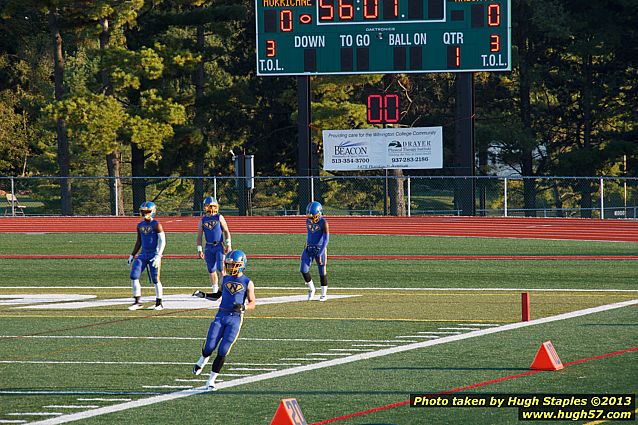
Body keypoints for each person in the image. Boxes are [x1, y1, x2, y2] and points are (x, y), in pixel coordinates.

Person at [192, 249, 256, 391]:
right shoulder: (225, 278)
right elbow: (217, 296)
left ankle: (211, 381)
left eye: (233, 265)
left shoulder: (247, 282)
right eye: (228, 264)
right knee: (209, 345)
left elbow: (253, 303)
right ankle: (202, 360)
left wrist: (244, 307)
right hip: (221, 315)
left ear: (241, 265)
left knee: (223, 350)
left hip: (235, 319)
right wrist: (203, 295)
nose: (230, 267)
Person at [127, 201, 166, 310]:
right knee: (134, 275)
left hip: (153, 254)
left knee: (155, 279)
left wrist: (158, 255)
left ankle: (159, 303)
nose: (145, 214)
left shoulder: (156, 224)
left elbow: (162, 241)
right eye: (143, 212)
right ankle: (137, 301)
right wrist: (132, 254)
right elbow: (139, 241)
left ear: (153, 211)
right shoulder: (140, 225)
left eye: (147, 211)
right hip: (143, 254)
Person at [196, 196, 232, 294]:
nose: (211, 208)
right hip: (208, 246)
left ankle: (224, 290)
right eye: (209, 206)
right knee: (211, 269)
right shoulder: (202, 220)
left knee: (221, 268)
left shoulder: (219, 217)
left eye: (212, 206)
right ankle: (215, 290)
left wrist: (228, 244)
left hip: (219, 246)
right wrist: (199, 250)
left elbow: (226, 231)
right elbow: (199, 236)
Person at [300, 201, 329, 301]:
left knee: (322, 272)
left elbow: (326, 239)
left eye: (313, 215)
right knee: (303, 270)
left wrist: (321, 253)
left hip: (319, 249)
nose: (311, 218)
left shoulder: (323, 222)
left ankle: (324, 294)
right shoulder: (308, 221)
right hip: (309, 248)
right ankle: (312, 289)